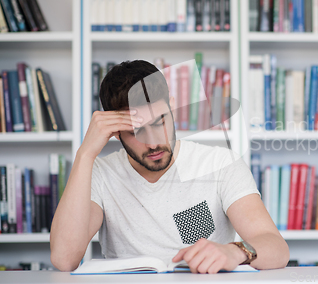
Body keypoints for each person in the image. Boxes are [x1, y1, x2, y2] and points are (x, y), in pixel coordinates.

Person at [50, 60, 289, 273]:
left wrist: (236, 252)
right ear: (113, 131)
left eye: (159, 121)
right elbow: (64, 259)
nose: (153, 142)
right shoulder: (100, 174)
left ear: (172, 107)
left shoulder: (220, 164)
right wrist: (84, 154)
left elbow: (276, 248)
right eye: (135, 130)